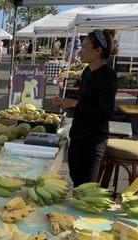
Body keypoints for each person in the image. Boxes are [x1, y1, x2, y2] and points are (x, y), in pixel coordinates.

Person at [52, 29, 119, 187]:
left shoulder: (108, 75)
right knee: (76, 180)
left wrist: (74, 104)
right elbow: (86, 100)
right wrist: (66, 101)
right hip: (78, 135)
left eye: (83, 47)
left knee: (86, 187)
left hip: (93, 139)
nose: (79, 51)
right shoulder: (87, 71)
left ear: (97, 51)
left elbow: (106, 112)